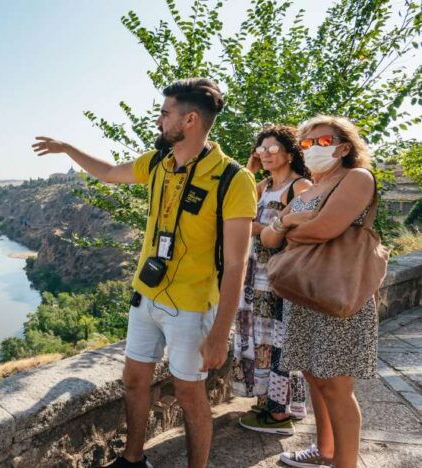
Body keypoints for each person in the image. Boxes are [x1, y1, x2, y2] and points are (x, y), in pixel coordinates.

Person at [32, 78, 257, 468]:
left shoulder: (232, 179)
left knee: (190, 395)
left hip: (191, 308)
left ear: (189, 120)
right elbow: (107, 172)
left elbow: (237, 264)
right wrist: (67, 148)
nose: (158, 120)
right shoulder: (158, 163)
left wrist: (220, 334)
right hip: (146, 298)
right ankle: (133, 460)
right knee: (134, 381)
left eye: (165, 113)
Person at [260, 116, 377, 468]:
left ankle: (345, 464)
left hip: (338, 294)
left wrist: (289, 225)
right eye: (306, 144)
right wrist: (287, 223)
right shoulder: (310, 190)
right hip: (305, 294)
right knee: (315, 378)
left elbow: (326, 229)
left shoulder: (356, 178)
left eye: (321, 142)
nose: (312, 149)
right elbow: (267, 237)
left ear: (344, 147)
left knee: (338, 388)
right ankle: (324, 451)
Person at [232, 125, 312, 435]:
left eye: (272, 148)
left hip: (280, 274)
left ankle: (280, 415)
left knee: (279, 340)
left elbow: (305, 225)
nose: (264, 153)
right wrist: (249, 172)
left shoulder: (301, 186)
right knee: (260, 337)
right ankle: (267, 401)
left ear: (290, 153)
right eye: (260, 149)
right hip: (256, 275)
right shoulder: (264, 185)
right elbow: (237, 210)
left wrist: (261, 228)